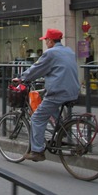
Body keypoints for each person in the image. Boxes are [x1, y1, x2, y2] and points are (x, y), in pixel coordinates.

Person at [12, 28, 80, 162]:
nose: (45, 43)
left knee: (37, 118)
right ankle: (61, 131)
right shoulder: (69, 51)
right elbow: (60, 69)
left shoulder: (50, 53)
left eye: (46, 40)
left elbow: (37, 69)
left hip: (58, 92)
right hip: (73, 91)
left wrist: (21, 78)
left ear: (50, 41)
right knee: (47, 102)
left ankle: (37, 151)